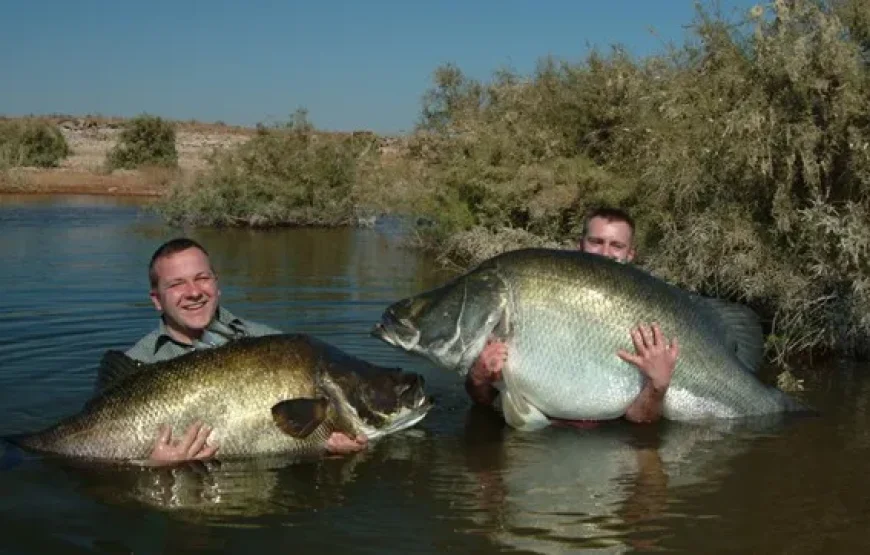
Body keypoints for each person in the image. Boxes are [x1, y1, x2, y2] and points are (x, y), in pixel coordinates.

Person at [102, 237, 368, 465]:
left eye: (202, 278)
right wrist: (149, 465)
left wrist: (327, 440)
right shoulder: (137, 362)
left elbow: (302, 429)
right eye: (177, 284)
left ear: (217, 285)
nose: (193, 292)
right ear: (157, 300)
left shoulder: (275, 346)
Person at [465, 207, 680, 424]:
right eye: (596, 241)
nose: (605, 252)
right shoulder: (539, 297)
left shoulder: (653, 312)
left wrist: (657, 385)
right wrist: (479, 376)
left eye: (616, 245)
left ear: (630, 254)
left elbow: (640, 421)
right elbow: (483, 401)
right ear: (581, 244)